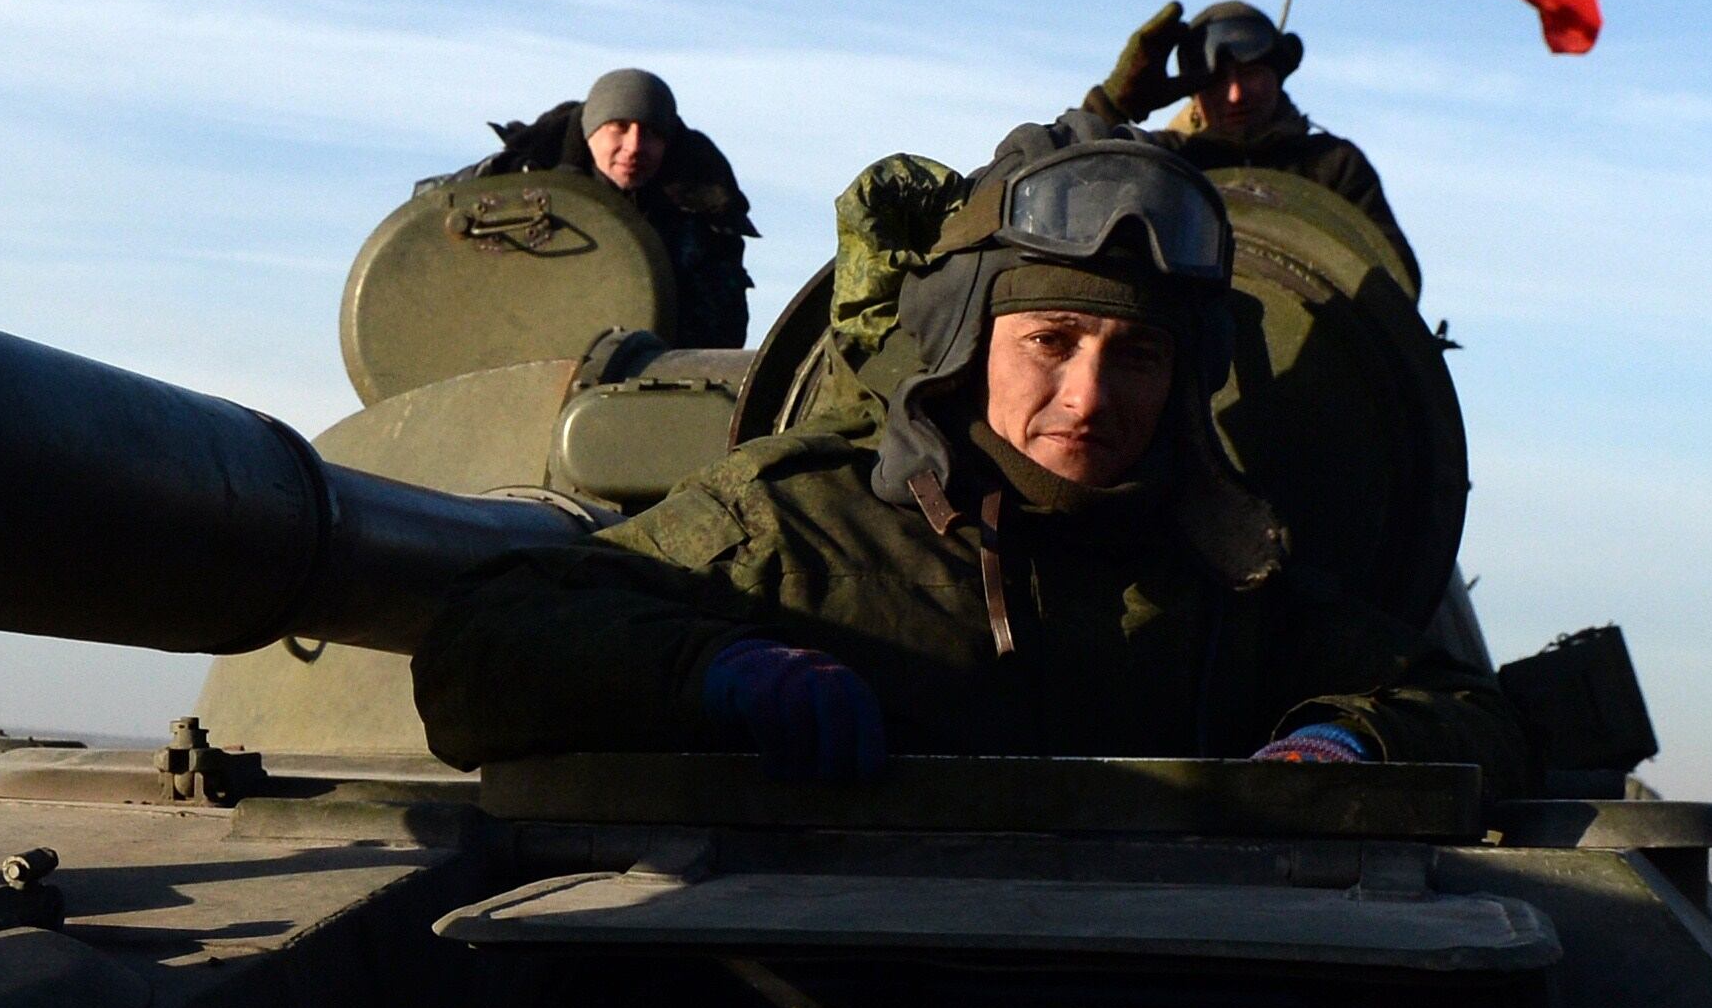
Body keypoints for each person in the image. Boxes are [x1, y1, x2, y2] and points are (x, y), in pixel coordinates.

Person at [409, 120, 1528, 787]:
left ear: (1186, 379)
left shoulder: (1221, 579)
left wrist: (1348, 741)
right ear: (962, 347)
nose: (1088, 395)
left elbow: (1463, 707)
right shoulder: (805, 533)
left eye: (1135, 355)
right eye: (1050, 340)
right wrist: (710, 670)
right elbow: (478, 648)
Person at [1088, 0, 1412, 276]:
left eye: (1251, 73)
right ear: (1193, 90)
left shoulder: (1333, 165)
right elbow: (1059, 190)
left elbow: (1395, 271)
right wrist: (1111, 106)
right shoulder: (1167, 160)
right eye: (1216, 80)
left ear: (1279, 75)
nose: (1235, 95)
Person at [466, 66, 758, 347]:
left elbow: (722, 332)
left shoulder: (704, 213)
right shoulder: (512, 186)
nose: (634, 147)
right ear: (590, 130)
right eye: (619, 127)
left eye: (652, 133)